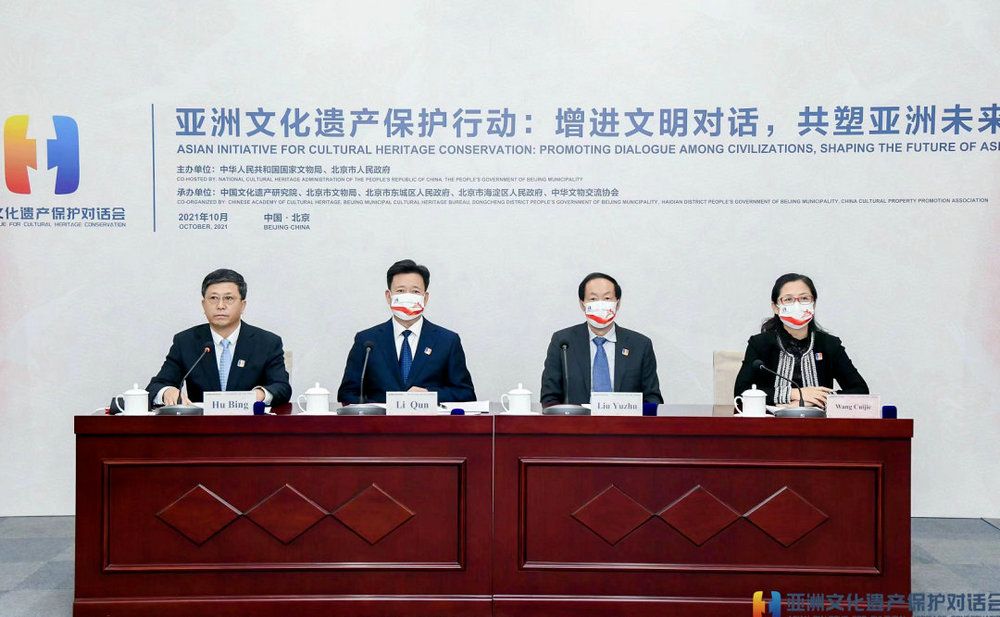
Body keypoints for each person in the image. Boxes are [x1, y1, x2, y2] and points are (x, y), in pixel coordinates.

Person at [146, 269, 291, 407]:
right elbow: (155, 386)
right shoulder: (185, 341)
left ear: (243, 305)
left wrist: (260, 394)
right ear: (204, 305)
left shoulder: (267, 342)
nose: (220, 306)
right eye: (213, 298)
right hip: (202, 423)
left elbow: (282, 387)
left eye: (228, 298)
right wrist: (167, 391)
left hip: (250, 423)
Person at [337, 259, 476, 404]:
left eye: (415, 291)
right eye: (400, 291)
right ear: (388, 296)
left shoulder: (447, 341)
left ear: (425, 298)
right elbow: (347, 393)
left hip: (428, 419)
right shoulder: (366, 341)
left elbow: (466, 393)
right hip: (381, 418)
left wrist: (429, 395)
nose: (408, 297)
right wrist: (380, 409)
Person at [734, 273, 868, 409]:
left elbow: (861, 391)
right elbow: (740, 393)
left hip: (818, 421)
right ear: (775, 307)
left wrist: (817, 400)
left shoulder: (829, 344)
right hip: (770, 421)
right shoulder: (760, 344)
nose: (797, 305)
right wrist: (794, 394)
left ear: (814, 304)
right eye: (788, 299)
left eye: (804, 298)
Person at [540, 272, 663, 406]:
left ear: (618, 303)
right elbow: (549, 397)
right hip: (577, 419)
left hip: (624, 419)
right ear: (582, 304)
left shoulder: (640, 345)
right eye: (593, 299)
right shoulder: (563, 342)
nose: (600, 304)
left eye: (607, 298)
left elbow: (653, 398)